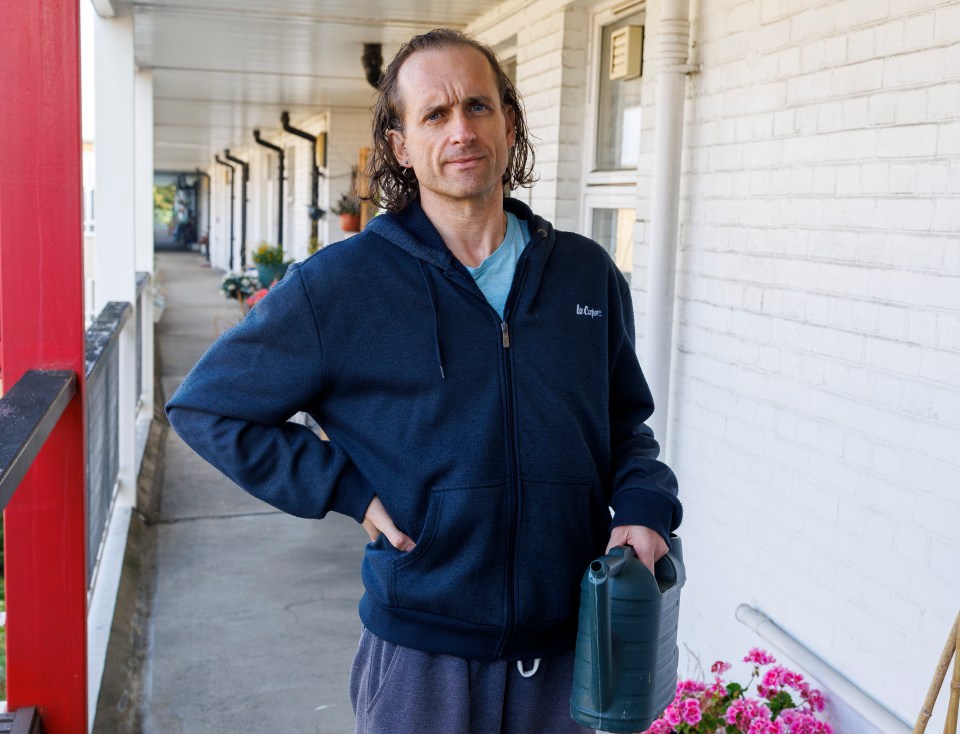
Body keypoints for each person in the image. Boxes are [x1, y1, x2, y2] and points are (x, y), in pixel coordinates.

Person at [166, 28, 681, 734]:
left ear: (509, 122)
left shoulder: (585, 275)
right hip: (423, 659)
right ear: (401, 146)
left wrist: (644, 505)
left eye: (478, 106)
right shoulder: (340, 286)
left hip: (572, 652)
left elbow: (626, 426)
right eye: (435, 115)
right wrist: (346, 489)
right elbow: (206, 407)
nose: (462, 130)